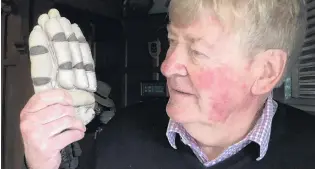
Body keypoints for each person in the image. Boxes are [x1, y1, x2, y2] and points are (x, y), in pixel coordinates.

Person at [20, 0, 315, 169]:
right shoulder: (121, 134)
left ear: (265, 71)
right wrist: (43, 162)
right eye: (172, 41)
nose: (167, 65)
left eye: (197, 51)